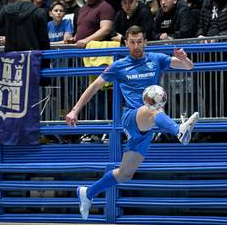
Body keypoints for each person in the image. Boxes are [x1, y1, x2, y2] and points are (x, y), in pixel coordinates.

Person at [65, 25, 199, 220]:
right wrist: (75, 110)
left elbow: (189, 67)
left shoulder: (156, 59)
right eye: (132, 42)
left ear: (145, 42)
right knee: (153, 107)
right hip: (130, 117)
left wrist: (184, 57)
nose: (136, 46)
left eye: (140, 41)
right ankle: (179, 129)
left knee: (125, 173)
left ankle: (87, 193)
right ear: (126, 43)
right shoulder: (119, 65)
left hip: (147, 126)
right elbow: (94, 86)